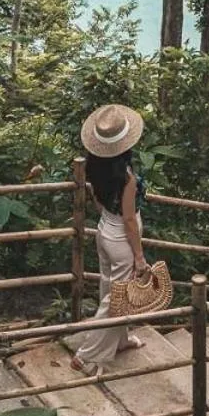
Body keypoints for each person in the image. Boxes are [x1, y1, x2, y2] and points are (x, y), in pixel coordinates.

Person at [73, 103, 151, 376]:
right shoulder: (127, 178)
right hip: (121, 238)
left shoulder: (95, 167)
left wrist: (109, 219)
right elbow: (130, 219)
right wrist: (139, 257)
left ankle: (120, 340)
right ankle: (86, 355)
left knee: (110, 291)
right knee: (116, 302)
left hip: (104, 228)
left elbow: (97, 199)